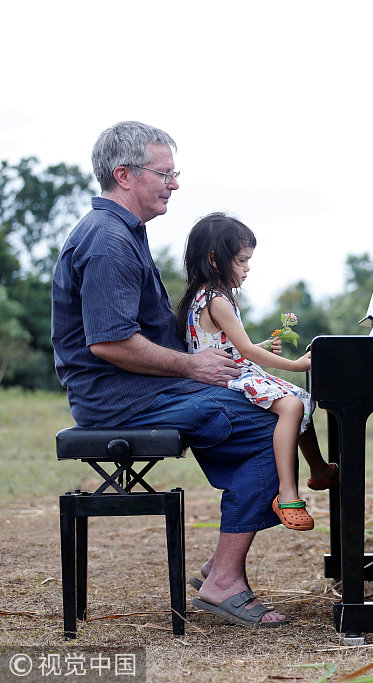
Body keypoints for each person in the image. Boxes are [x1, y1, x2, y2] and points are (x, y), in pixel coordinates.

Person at [52, 121, 287, 627]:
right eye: (165, 173)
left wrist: (232, 356)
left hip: (145, 390)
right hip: (121, 400)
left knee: (266, 407)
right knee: (270, 424)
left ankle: (221, 567)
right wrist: (194, 364)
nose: (174, 183)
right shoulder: (108, 241)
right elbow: (110, 341)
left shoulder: (125, 234)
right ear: (124, 175)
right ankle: (224, 579)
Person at [175, 212, 338, 531]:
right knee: (291, 404)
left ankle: (319, 470)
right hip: (227, 380)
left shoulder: (202, 296)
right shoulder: (217, 299)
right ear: (214, 258)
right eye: (241, 260)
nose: (247, 268)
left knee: (297, 397)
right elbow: (246, 351)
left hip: (228, 371)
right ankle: (288, 493)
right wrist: (297, 364)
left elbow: (224, 344)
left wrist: (263, 343)